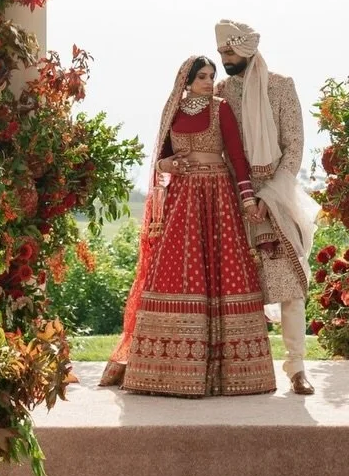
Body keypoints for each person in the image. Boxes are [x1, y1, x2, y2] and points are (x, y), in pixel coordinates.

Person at [100, 56, 276, 397]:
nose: (209, 81)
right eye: (202, 77)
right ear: (187, 81)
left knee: (224, 274)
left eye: (211, 76)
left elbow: (237, 158)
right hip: (182, 202)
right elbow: (160, 162)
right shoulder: (174, 112)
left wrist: (248, 199)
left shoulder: (220, 109)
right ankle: (169, 373)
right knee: (178, 271)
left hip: (218, 199)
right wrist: (169, 164)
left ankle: (230, 374)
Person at [214, 19, 319, 396]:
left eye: (229, 51)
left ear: (246, 49)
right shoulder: (220, 93)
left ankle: (296, 368)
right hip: (233, 200)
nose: (224, 58)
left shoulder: (280, 87)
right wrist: (242, 195)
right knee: (240, 290)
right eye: (221, 52)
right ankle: (246, 369)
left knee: (289, 287)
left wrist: (268, 195)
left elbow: (294, 147)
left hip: (276, 198)